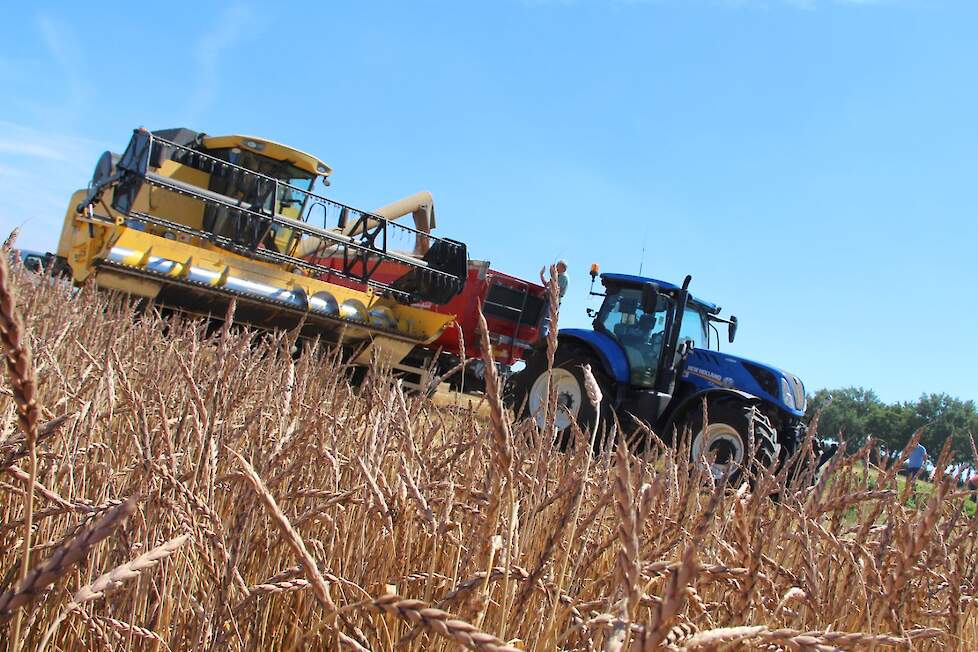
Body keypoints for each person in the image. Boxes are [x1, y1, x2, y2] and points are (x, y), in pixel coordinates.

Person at [539, 260, 568, 339]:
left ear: (562, 268)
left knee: (544, 324)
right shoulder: (557, 276)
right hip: (549, 300)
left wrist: (543, 292)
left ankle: (542, 342)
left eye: (557, 265)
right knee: (541, 322)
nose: (555, 267)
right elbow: (547, 285)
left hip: (553, 302)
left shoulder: (563, 277)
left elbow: (554, 289)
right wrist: (542, 275)